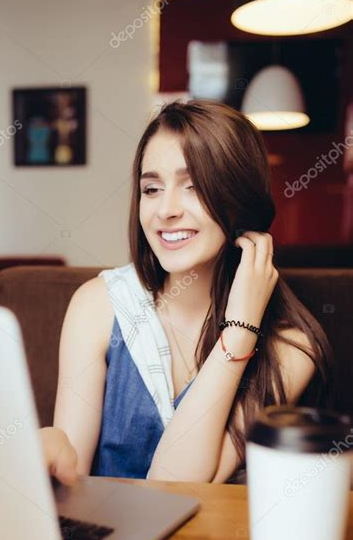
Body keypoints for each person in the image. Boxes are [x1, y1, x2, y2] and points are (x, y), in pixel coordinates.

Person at [53, 100, 332, 484]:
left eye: (194, 187)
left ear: (240, 200)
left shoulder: (290, 347)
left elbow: (176, 485)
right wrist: (49, 445)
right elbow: (70, 477)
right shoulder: (97, 304)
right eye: (151, 188)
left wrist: (239, 331)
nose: (165, 210)